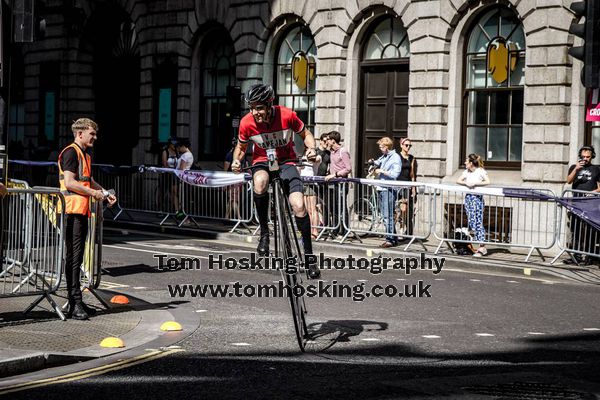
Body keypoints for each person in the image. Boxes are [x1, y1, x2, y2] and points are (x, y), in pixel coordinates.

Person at [230, 83, 320, 279]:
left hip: (287, 161)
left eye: (259, 107)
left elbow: (306, 135)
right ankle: (264, 232)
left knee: (299, 206)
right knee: (260, 182)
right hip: (262, 162)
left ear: (270, 105)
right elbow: (241, 148)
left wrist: (312, 149)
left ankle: (309, 257)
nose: (255, 112)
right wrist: (236, 161)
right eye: (252, 107)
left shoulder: (286, 115)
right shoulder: (247, 123)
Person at [58, 118, 117, 320]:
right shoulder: (70, 152)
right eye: (91, 133)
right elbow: (70, 183)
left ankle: (76, 302)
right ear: (79, 133)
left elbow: (88, 180)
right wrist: (94, 194)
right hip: (71, 211)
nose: (95, 137)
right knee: (74, 258)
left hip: (81, 211)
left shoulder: (85, 155)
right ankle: (74, 303)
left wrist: (105, 193)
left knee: (78, 257)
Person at [565, 145, 600, 264]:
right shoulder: (574, 167)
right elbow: (568, 181)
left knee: (590, 230)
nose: (586, 159)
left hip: (590, 204)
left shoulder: (597, 169)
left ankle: (590, 256)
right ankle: (577, 256)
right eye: (583, 157)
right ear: (580, 156)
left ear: (592, 157)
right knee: (576, 229)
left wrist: (591, 193)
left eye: (588, 157)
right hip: (576, 203)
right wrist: (576, 169)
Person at [369, 137, 401, 248]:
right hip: (381, 188)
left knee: (388, 216)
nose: (380, 149)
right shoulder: (385, 156)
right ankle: (394, 238)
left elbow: (395, 174)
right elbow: (378, 161)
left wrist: (382, 171)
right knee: (385, 215)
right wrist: (373, 162)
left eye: (381, 147)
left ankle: (390, 239)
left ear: (387, 147)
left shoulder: (395, 157)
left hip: (389, 189)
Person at [456, 153, 490, 257]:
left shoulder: (480, 171)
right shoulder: (466, 172)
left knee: (478, 222)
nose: (465, 163)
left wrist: (475, 184)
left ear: (471, 163)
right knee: (471, 221)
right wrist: (466, 183)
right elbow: (458, 180)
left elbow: (488, 181)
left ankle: (482, 247)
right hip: (469, 198)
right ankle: (479, 245)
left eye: (466, 161)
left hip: (477, 198)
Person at [324, 131, 351, 237]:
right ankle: (335, 230)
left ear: (333, 141)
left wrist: (335, 174)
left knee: (341, 206)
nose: (327, 142)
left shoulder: (342, 151)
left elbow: (348, 168)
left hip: (341, 183)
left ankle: (344, 231)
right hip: (333, 184)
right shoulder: (331, 151)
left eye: (328, 140)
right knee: (334, 207)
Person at [397, 137, 418, 236]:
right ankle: (401, 225)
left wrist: (414, 187)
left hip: (407, 184)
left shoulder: (411, 158)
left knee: (406, 208)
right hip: (398, 184)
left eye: (410, 145)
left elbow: (412, 174)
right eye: (406, 145)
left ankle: (404, 228)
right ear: (401, 145)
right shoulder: (397, 157)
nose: (408, 147)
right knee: (401, 208)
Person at [299, 150, 321, 239]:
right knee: (306, 210)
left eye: (311, 151)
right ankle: (308, 230)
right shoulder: (303, 158)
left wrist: (308, 157)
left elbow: (316, 159)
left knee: (313, 209)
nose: (309, 152)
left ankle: (315, 231)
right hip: (303, 184)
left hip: (311, 185)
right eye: (307, 150)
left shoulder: (317, 158)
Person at [174, 138, 193, 219]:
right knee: (182, 196)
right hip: (185, 178)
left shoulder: (185, 155)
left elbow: (181, 169)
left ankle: (183, 216)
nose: (178, 149)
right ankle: (182, 215)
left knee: (181, 196)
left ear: (184, 146)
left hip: (181, 178)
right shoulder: (189, 154)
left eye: (179, 147)